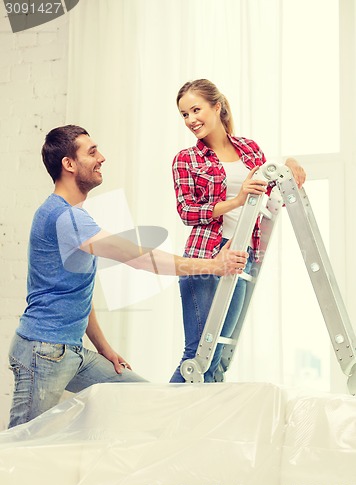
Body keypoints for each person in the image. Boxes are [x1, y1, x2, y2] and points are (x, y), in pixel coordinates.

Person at [8, 125, 248, 428]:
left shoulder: (73, 216)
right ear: (68, 164)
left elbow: (78, 293)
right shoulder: (64, 217)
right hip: (42, 351)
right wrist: (213, 265)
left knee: (145, 398)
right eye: (92, 152)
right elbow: (139, 258)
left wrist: (104, 348)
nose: (102, 158)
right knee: (21, 446)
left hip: (71, 352)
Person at [170, 79, 306, 383]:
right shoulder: (186, 159)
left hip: (242, 255)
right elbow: (187, 211)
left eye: (196, 110)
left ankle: (201, 426)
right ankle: (165, 425)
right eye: (184, 114)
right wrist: (237, 200)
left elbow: (270, 197)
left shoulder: (248, 148)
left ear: (216, 107)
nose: (191, 120)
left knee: (216, 360)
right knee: (198, 357)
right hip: (205, 260)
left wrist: (289, 164)